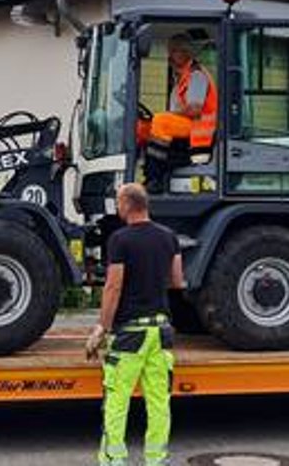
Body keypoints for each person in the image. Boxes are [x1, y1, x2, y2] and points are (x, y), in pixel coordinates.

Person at [87, 183, 186, 466]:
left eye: (118, 203)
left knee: (117, 400)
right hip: (161, 332)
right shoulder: (169, 237)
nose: (117, 208)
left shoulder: (121, 239)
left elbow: (113, 287)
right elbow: (177, 280)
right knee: (159, 402)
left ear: (127, 204)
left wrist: (101, 329)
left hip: (131, 334)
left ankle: (114, 460)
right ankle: (156, 459)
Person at [144, 33, 218, 191]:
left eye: (174, 51)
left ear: (186, 52)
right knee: (143, 126)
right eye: (170, 51)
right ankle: (149, 172)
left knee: (160, 121)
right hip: (189, 127)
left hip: (198, 131)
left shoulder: (196, 75)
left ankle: (154, 178)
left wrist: (169, 116)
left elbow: (194, 109)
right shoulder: (182, 77)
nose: (170, 55)